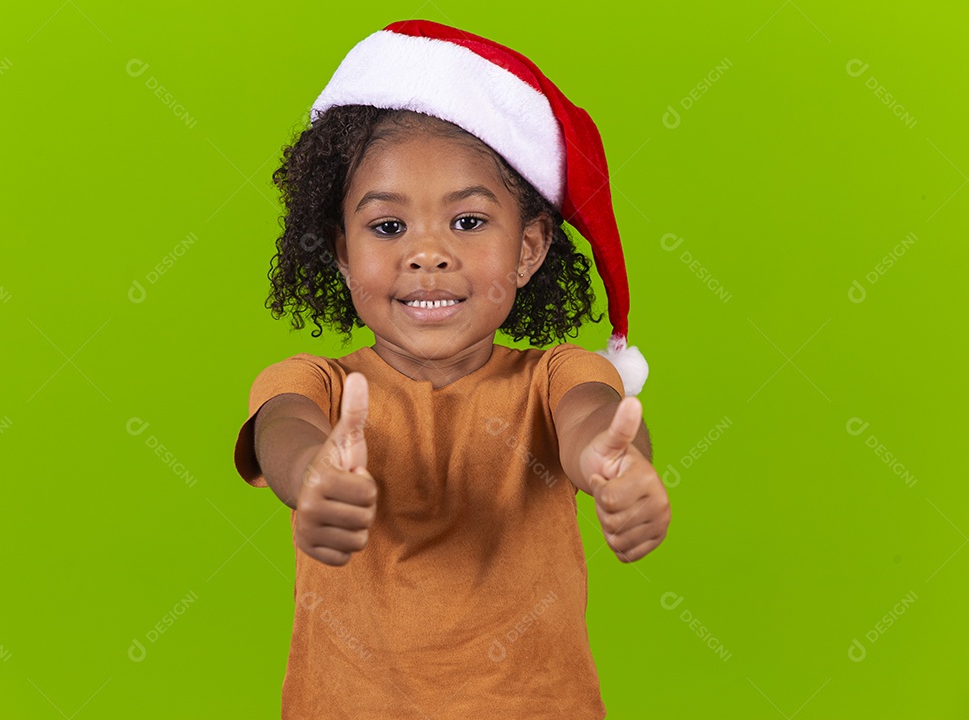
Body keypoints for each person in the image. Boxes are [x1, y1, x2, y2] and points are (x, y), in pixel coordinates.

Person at [233, 19, 671, 718]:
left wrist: (618, 467)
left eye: (467, 223)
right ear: (341, 252)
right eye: (387, 227)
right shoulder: (317, 384)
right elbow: (281, 430)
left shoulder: (556, 374)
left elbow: (594, 417)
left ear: (528, 248)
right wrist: (314, 472)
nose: (428, 253)